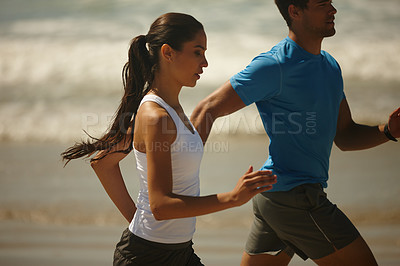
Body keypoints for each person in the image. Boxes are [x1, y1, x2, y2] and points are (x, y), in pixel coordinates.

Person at [190, 1, 400, 265]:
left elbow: (345, 136)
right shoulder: (274, 65)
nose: (333, 9)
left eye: (331, 2)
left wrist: (388, 131)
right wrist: (180, 180)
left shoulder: (331, 67)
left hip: (275, 196)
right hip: (296, 199)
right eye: (322, 4)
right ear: (295, 11)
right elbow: (207, 108)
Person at [61, 12, 277, 266]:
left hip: (178, 252)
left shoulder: (169, 111)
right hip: (147, 257)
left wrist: (138, 220)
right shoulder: (156, 116)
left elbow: (102, 163)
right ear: (168, 52)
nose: (205, 62)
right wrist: (232, 197)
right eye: (197, 52)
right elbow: (161, 206)